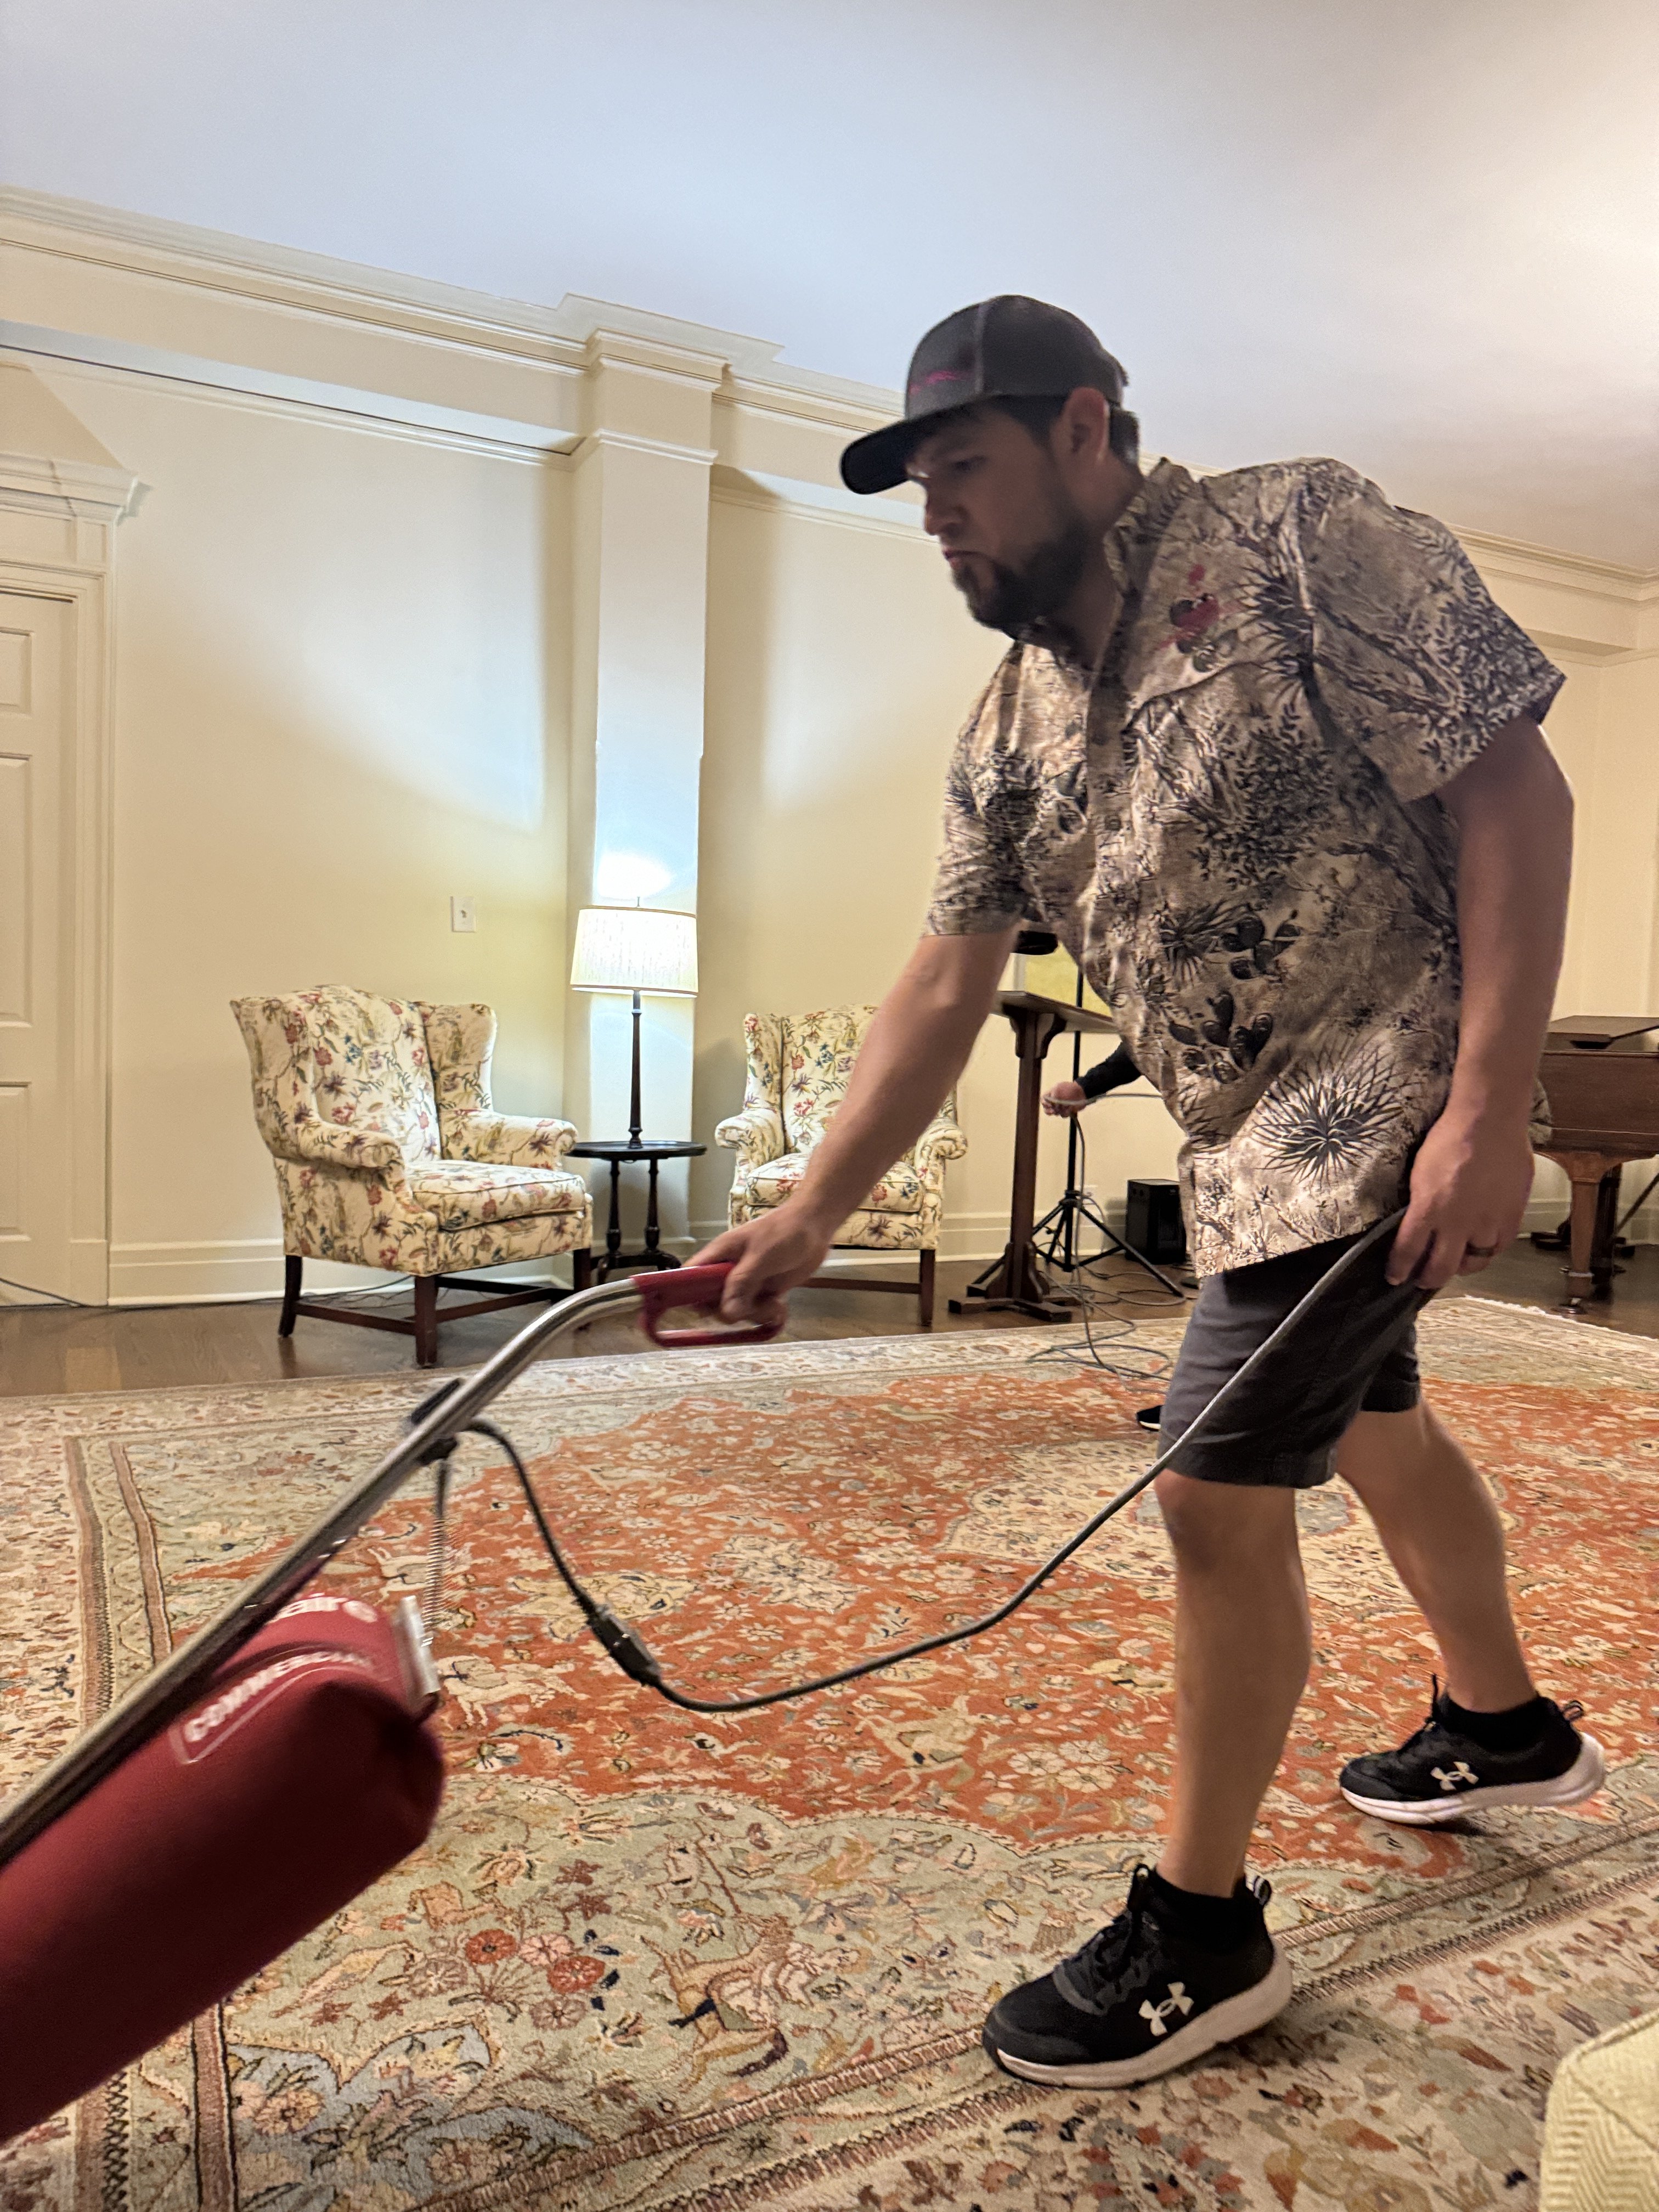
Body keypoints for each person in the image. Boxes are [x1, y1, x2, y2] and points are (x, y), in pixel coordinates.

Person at [693, 295, 1598, 2090]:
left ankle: (1202, 1934)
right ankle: (1504, 1727)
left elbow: (1517, 791)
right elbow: (944, 982)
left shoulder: (1301, 537)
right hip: (1241, 1151)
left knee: (1209, 1484)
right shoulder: (1006, 726)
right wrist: (808, 1213)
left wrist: (1491, 1108)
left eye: (964, 466)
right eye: (919, 488)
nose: (939, 513)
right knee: (1380, 1433)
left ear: (1086, 430)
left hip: (1388, 1099)